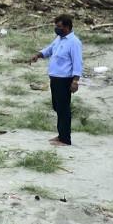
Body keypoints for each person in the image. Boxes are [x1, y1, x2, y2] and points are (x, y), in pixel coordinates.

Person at [29, 14, 83, 146]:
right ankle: (61, 135)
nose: (56, 28)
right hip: (55, 79)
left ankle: (65, 139)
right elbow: (49, 49)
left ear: (67, 27)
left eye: (59, 26)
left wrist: (75, 81)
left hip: (65, 80)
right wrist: (38, 55)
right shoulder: (59, 39)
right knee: (57, 107)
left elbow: (78, 63)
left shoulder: (74, 42)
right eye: (56, 26)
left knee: (64, 109)